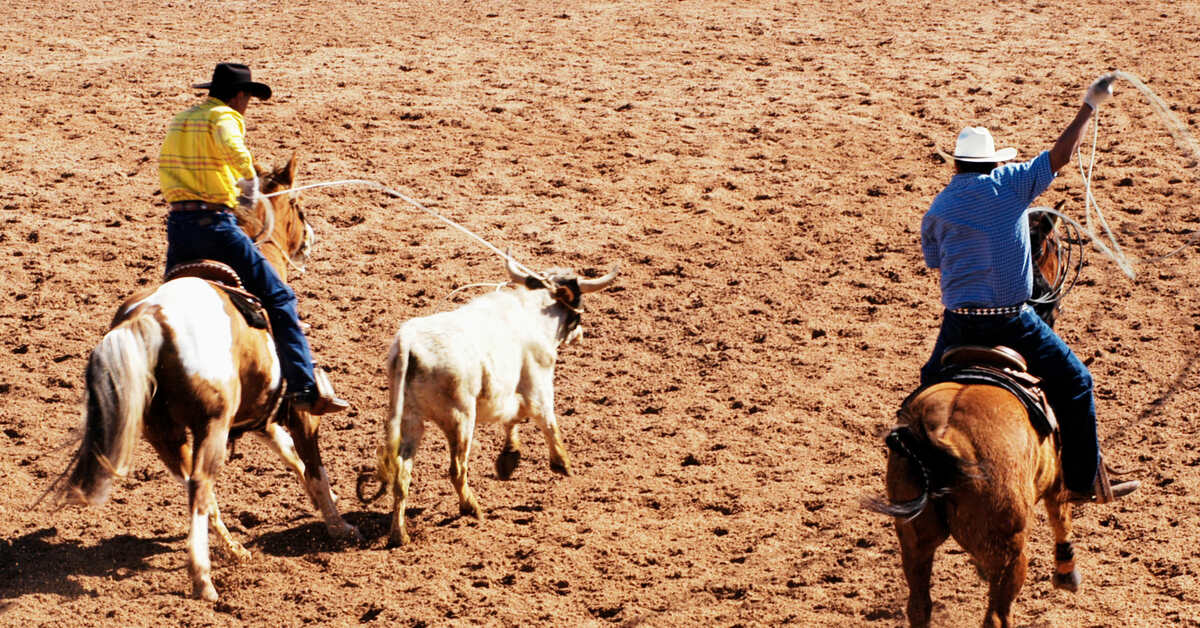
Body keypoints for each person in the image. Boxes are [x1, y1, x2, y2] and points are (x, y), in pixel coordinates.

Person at [919, 73, 1138, 504]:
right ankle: (1081, 482)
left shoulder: (938, 207)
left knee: (921, 394)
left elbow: (936, 265)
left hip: (959, 325)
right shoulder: (1012, 184)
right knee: (1077, 381)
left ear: (957, 165)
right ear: (993, 163)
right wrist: (1089, 105)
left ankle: (921, 472)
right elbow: (1059, 155)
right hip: (1013, 323)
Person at [158, 62, 349, 415]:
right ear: (240, 94)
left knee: (163, 304)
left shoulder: (181, 120)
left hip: (179, 228)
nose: (247, 105)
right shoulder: (225, 117)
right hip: (216, 226)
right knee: (279, 297)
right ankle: (305, 387)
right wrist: (249, 179)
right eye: (248, 97)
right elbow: (235, 150)